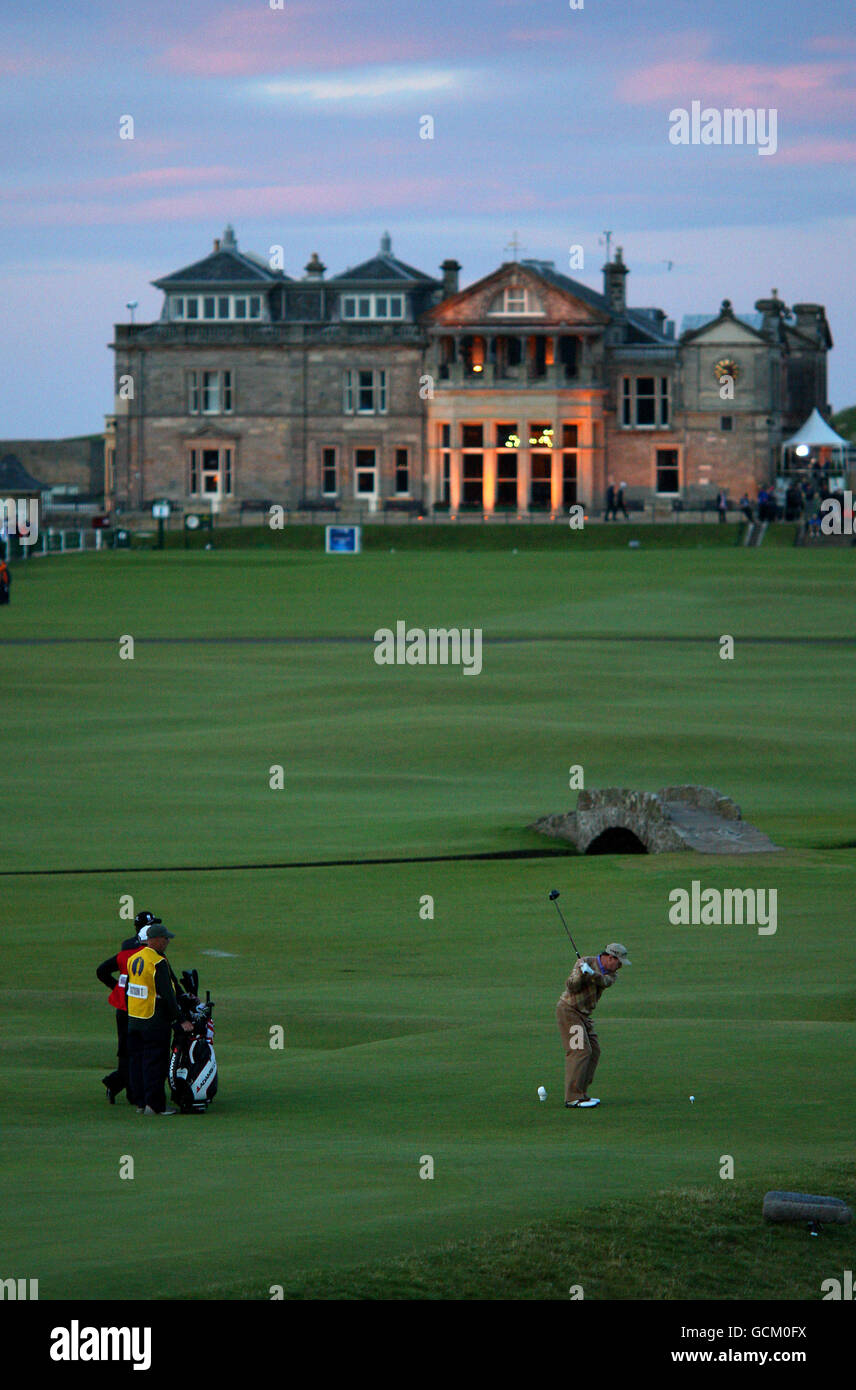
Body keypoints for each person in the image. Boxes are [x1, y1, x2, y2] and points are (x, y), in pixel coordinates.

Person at [126, 922, 193, 1115]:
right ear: (154, 940)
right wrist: (181, 1020)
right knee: (155, 1063)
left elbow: (130, 990)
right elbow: (168, 995)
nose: (167, 942)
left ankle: (140, 1102)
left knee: (137, 1063)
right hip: (153, 1020)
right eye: (165, 939)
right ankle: (155, 1106)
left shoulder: (134, 958)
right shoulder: (158, 962)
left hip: (134, 1018)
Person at [556, 942, 631, 1108]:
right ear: (610, 957)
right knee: (580, 1051)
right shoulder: (584, 962)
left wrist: (591, 974)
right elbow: (571, 986)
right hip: (569, 1012)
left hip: (584, 1015)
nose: (619, 967)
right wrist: (582, 974)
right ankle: (572, 1097)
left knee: (594, 1051)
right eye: (618, 962)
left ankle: (581, 1093)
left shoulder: (611, 975)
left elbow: (603, 981)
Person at [95, 916, 152, 1104]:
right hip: (139, 1007)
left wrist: (118, 989)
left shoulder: (126, 947)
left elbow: (102, 971)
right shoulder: (149, 951)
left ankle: (121, 1087)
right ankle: (125, 1088)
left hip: (123, 1006)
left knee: (126, 1050)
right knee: (139, 1050)